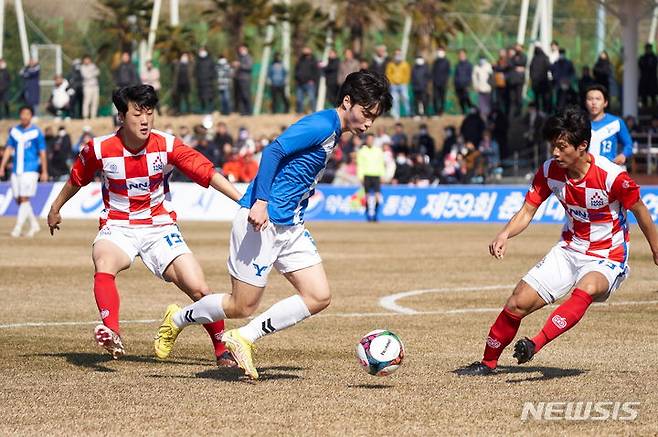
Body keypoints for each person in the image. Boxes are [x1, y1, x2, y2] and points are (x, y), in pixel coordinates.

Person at [153, 70, 392, 379]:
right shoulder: (321, 124)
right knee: (241, 305)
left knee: (318, 296)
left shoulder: (335, 132)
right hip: (262, 220)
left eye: (374, 116)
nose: (369, 122)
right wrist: (261, 201)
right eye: (366, 113)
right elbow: (274, 150)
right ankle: (179, 318)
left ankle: (244, 338)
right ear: (348, 102)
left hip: (290, 225)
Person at [45, 85, 242, 366]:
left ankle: (222, 349)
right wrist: (55, 207)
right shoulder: (100, 149)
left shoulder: (167, 145)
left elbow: (207, 173)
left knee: (198, 288)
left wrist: (243, 200)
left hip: (159, 227)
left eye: (149, 112)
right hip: (118, 225)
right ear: (122, 117)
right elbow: (77, 178)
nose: (145, 120)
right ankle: (111, 330)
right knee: (104, 262)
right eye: (137, 113)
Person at [456, 106, 658, 376]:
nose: (555, 152)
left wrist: (656, 249)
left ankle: (534, 344)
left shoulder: (613, 177)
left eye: (562, 147)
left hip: (607, 257)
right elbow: (528, 209)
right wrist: (505, 233)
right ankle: (487, 363)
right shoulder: (550, 171)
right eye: (553, 145)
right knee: (517, 302)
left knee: (586, 287)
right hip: (568, 250)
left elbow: (641, 211)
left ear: (582, 146)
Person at [0, 105, 48, 237]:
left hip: (30, 169)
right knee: (19, 200)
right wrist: (2, 166)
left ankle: (17, 228)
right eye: (22, 114)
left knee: (24, 198)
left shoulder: (36, 132)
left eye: (27, 114)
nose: (24, 116)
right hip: (17, 170)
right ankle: (34, 225)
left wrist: (44, 170)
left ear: (31, 116)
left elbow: (42, 152)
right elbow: (9, 149)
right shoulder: (15, 131)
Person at [584, 84, 632, 166]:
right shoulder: (581, 123)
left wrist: (623, 155)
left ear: (605, 103)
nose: (594, 102)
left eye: (598, 99)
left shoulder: (616, 122)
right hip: (586, 170)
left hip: (609, 169)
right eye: (590, 99)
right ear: (585, 103)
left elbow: (629, 145)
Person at [357, 133, 385, 222]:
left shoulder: (378, 151)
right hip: (367, 175)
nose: (370, 141)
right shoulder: (362, 151)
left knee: (377, 196)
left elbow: (381, 163)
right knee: (368, 196)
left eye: (372, 139)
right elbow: (360, 164)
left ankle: (375, 215)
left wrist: (382, 174)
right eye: (369, 139)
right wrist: (360, 176)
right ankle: (368, 214)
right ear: (366, 140)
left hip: (376, 175)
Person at [80, 55, 100, 119]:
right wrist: (93, 72)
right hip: (87, 87)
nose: (87, 61)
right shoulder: (82, 67)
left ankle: (93, 116)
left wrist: (93, 71)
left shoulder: (93, 66)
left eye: (88, 59)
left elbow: (98, 72)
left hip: (95, 86)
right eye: (85, 60)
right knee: (87, 101)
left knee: (95, 101)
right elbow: (86, 76)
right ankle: (85, 116)